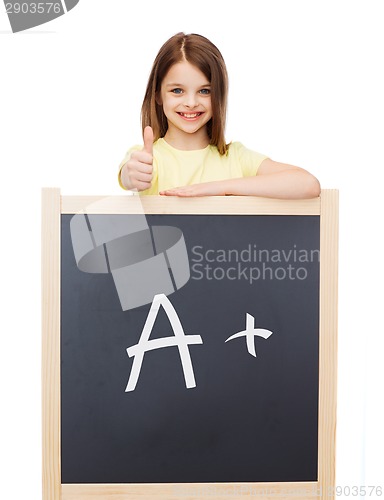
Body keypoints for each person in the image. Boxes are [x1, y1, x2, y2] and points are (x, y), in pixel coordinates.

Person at [118, 32, 320, 199]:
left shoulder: (236, 158)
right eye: (177, 91)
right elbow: (130, 175)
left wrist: (217, 188)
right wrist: (131, 175)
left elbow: (308, 184)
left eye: (205, 91)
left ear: (219, 96)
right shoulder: (149, 159)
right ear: (158, 96)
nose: (190, 102)